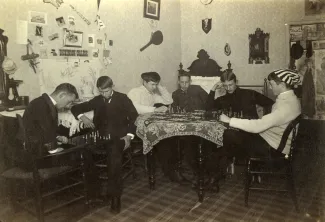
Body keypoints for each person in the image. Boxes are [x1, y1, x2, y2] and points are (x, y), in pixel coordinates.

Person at [71, 76, 138, 214]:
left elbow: (134, 117)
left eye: (106, 91)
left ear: (112, 86)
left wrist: (129, 136)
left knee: (114, 159)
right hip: (101, 139)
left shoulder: (122, 98)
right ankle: (95, 194)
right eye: (101, 92)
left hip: (119, 138)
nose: (104, 94)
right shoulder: (97, 100)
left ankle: (115, 197)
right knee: (84, 152)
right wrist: (83, 117)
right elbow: (75, 108)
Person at [219, 69, 301, 161]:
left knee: (229, 134)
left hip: (273, 147)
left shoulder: (285, 106)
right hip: (272, 140)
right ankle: (239, 165)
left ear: (282, 85)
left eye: (272, 84)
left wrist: (229, 120)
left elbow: (258, 126)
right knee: (237, 133)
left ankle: (235, 168)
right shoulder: (291, 100)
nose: (270, 88)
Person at [10, 83, 78, 170]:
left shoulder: (44, 103)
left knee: (74, 154)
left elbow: (43, 128)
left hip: (39, 150)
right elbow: (45, 130)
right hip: (33, 157)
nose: (69, 106)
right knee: (77, 157)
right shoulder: (41, 105)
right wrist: (54, 150)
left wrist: (57, 136)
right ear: (62, 95)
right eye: (69, 102)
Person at [127, 72, 181, 182]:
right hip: (134, 126)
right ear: (144, 82)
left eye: (156, 84)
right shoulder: (135, 92)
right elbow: (135, 108)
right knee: (163, 139)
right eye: (152, 84)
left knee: (170, 136)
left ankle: (172, 169)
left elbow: (169, 100)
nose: (154, 87)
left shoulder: (151, 94)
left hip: (149, 124)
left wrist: (160, 86)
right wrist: (155, 110)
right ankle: (170, 171)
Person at [206, 70, 274, 118]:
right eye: (225, 85)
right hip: (232, 131)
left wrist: (265, 119)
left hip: (250, 131)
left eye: (230, 85)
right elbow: (208, 108)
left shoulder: (250, 94)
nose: (228, 88)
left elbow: (270, 103)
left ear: (236, 82)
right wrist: (213, 88)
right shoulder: (222, 99)